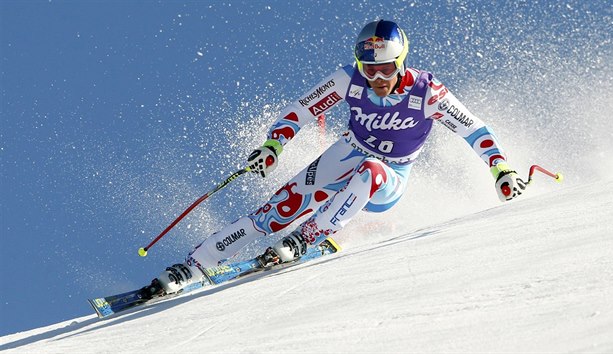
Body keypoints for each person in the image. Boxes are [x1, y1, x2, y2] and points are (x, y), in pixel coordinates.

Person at [145, 19, 526, 296]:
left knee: (371, 171)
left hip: (390, 175)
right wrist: (273, 146)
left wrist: (501, 169)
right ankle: (194, 265)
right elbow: (301, 111)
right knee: (276, 210)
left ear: (402, 62)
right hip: (348, 151)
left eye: (386, 68)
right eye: (369, 68)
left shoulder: (428, 91)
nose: (377, 77)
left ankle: (307, 237)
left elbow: (474, 129)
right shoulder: (348, 79)